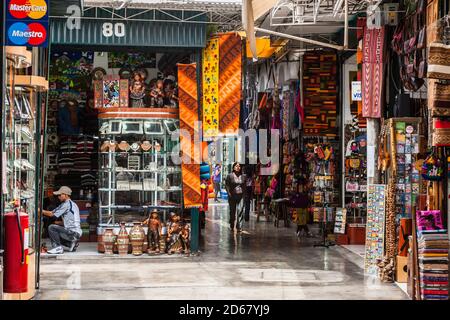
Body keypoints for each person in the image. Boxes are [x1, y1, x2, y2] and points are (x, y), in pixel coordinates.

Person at [40, 186, 82, 254]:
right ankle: (71, 244)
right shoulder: (72, 204)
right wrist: (59, 223)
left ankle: (57, 247)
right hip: (75, 233)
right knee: (55, 228)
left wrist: (39, 210)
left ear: (65, 195)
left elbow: (51, 214)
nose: (58, 197)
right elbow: (71, 221)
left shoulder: (66, 204)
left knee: (51, 227)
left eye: (60, 195)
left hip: (73, 232)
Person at [225, 162, 245, 233]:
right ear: (233, 167)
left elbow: (244, 186)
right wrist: (229, 193)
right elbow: (226, 185)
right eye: (236, 166)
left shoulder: (243, 176)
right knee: (232, 212)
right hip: (232, 196)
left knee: (240, 211)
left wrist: (244, 194)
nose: (238, 167)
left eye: (239, 166)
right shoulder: (229, 176)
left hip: (241, 196)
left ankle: (239, 227)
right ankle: (232, 225)